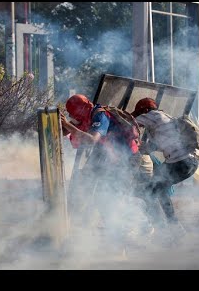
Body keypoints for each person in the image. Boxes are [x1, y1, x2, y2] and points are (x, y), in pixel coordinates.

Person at [60, 94, 142, 238]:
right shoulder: (88, 116)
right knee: (99, 192)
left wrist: (67, 124)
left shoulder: (100, 116)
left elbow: (92, 140)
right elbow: (69, 130)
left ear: (85, 107)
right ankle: (115, 229)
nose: (75, 117)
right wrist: (62, 123)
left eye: (75, 113)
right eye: (72, 114)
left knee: (112, 195)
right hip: (112, 158)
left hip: (127, 159)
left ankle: (136, 227)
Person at [131, 97, 199, 234]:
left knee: (147, 191)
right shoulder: (165, 120)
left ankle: (160, 229)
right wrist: (143, 147)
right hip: (188, 162)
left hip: (180, 162)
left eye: (140, 114)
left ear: (145, 111)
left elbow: (130, 122)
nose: (141, 121)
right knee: (160, 190)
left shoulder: (154, 115)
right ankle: (174, 227)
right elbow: (157, 145)